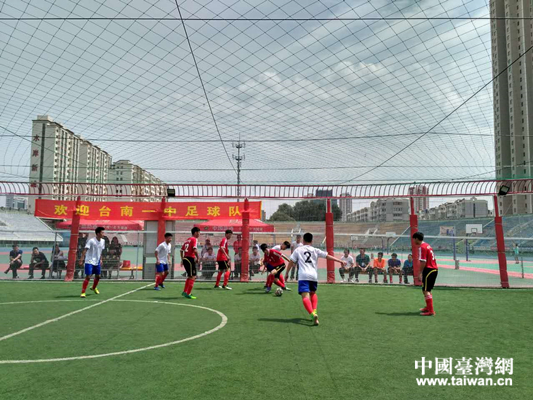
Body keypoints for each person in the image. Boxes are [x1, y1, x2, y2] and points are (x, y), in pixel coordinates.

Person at [285, 232, 346, 326]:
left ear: (303, 240)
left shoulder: (298, 250)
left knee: (305, 296)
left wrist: (286, 273)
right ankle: (315, 311)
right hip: (313, 276)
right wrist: (340, 260)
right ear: (311, 241)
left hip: (303, 276)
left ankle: (312, 315)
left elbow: (291, 261)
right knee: (313, 293)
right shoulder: (315, 250)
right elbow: (327, 256)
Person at [413, 232, 439, 316]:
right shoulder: (427, 245)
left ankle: (431, 311)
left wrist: (420, 272)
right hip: (432, 269)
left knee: (426, 290)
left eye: (414, 239)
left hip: (429, 270)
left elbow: (423, 261)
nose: (413, 241)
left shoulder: (422, 247)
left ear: (417, 238)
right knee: (425, 290)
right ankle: (428, 307)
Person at [79, 227, 106, 298]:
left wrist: (101, 259)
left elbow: (100, 251)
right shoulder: (91, 241)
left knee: (98, 276)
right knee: (88, 276)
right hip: (89, 261)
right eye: (102, 232)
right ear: (98, 233)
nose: (103, 234)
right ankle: (83, 292)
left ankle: (93, 288)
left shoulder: (103, 241)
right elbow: (85, 250)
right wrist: (81, 259)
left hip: (97, 261)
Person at [181, 227, 200, 299]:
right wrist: (198, 258)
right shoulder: (194, 239)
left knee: (190, 276)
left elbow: (181, 250)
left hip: (186, 258)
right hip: (190, 259)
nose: (199, 234)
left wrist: (182, 259)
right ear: (195, 232)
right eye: (198, 232)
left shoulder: (188, 240)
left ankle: (185, 291)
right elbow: (195, 250)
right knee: (193, 277)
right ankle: (188, 293)